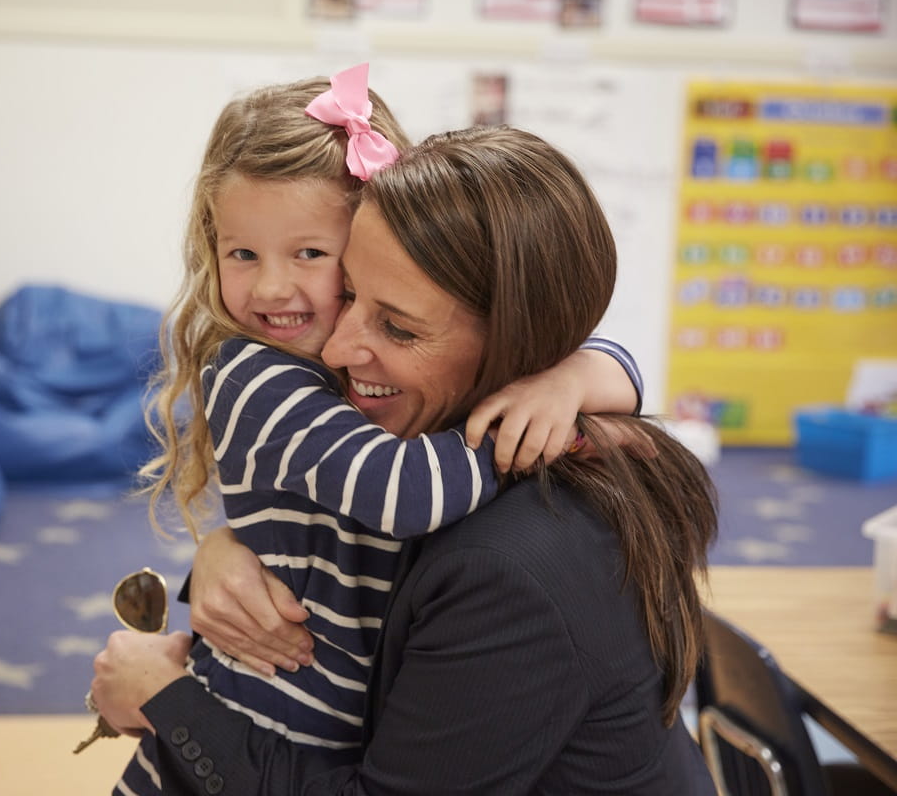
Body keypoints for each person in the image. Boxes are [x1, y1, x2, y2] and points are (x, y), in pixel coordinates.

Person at [92, 124, 719, 794]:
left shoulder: (508, 564)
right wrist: (227, 546)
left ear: (515, 340)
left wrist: (165, 698)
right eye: (348, 293)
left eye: (396, 326)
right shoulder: (414, 439)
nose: (335, 351)